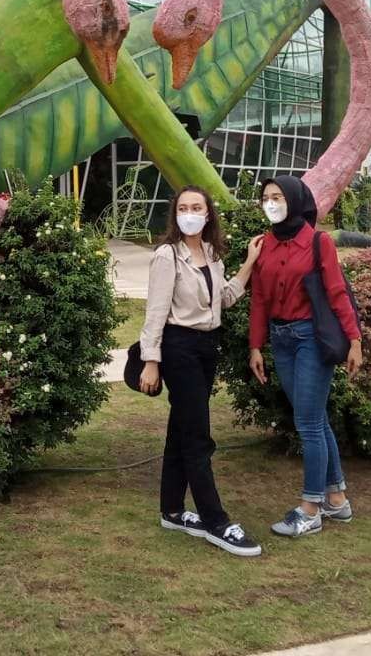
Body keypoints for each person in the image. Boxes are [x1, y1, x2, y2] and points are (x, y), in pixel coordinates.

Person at [139, 186, 263, 557]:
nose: (190, 213)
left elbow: (222, 299)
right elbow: (156, 312)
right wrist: (151, 360)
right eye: (183, 208)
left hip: (207, 347)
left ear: (208, 214)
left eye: (197, 207)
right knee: (198, 437)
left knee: (182, 430)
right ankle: (215, 521)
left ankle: (172, 510)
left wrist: (250, 262)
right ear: (174, 214)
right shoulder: (167, 256)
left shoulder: (210, 253)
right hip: (179, 348)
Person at [247, 176, 363, 539]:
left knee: (309, 423)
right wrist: (255, 345)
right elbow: (260, 298)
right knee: (314, 419)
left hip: (310, 338)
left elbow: (337, 291)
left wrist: (355, 339)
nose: (270, 203)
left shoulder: (317, 241)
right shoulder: (263, 244)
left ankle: (311, 508)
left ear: (295, 200)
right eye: (265, 198)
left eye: (277, 197)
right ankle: (337, 498)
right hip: (280, 340)